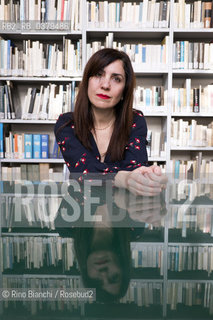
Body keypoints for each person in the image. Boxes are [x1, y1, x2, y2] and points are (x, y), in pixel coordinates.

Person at [54, 48, 167, 196]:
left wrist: (150, 177)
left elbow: (135, 168)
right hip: (79, 209)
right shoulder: (66, 123)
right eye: (98, 74)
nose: (105, 85)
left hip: (122, 209)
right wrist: (122, 178)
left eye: (116, 79)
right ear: (87, 81)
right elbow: (84, 171)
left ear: (124, 91)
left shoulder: (135, 120)